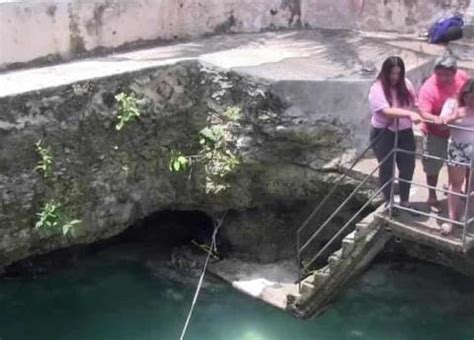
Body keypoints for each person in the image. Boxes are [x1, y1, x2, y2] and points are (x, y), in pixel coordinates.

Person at [368, 56, 421, 213]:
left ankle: (405, 201)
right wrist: (408, 114)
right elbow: (386, 112)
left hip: (404, 131)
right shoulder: (376, 88)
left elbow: (416, 104)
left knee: (407, 167)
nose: (395, 77)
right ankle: (389, 202)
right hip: (384, 133)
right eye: (392, 73)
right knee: (387, 168)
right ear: (385, 72)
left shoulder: (406, 84)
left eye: (398, 73)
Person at [418, 54, 469, 212]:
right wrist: (437, 119)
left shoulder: (462, 76)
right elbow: (423, 112)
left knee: (461, 163)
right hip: (435, 132)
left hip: (458, 131)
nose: (443, 78)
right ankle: (432, 196)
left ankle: (456, 187)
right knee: (432, 165)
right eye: (440, 74)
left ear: (454, 72)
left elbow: (468, 93)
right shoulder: (429, 88)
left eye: (447, 74)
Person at [439, 78, 474, 235]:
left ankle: (468, 216)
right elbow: (441, 123)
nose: (470, 100)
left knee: (472, 186)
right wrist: (454, 116)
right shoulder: (452, 104)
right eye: (468, 96)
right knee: (456, 185)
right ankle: (452, 220)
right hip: (457, 148)